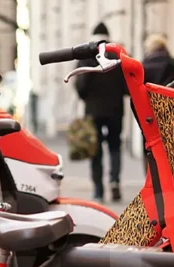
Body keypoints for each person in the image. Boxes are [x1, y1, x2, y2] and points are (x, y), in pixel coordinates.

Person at [75, 22, 126, 203]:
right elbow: (127, 85)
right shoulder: (118, 54)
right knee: (114, 146)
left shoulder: (87, 55)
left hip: (93, 111)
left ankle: (98, 189)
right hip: (115, 110)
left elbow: (80, 86)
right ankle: (114, 181)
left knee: (95, 150)